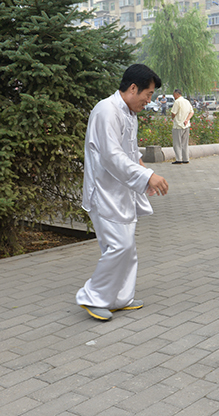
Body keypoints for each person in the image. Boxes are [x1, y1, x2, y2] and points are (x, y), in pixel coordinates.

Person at [77, 64, 169, 321]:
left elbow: (129, 152)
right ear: (132, 88)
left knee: (127, 248)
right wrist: (147, 176)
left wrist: (144, 172)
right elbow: (112, 156)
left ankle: (119, 298)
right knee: (120, 246)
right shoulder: (106, 110)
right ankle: (92, 297)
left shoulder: (129, 114)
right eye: (148, 94)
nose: (148, 101)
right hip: (105, 192)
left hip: (122, 191)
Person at [171, 89, 194, 165]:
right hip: (186, 125)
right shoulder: (187, 101)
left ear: (177, 94)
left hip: (178, 125)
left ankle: (178, 159)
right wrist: (187, 119)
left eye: (174, 95)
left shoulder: (177, 102)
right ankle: (186, 159)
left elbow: (173, 113)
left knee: (177, 143)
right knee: (185, 143)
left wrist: (173, 118)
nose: (174, 97)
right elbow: (192, 112)